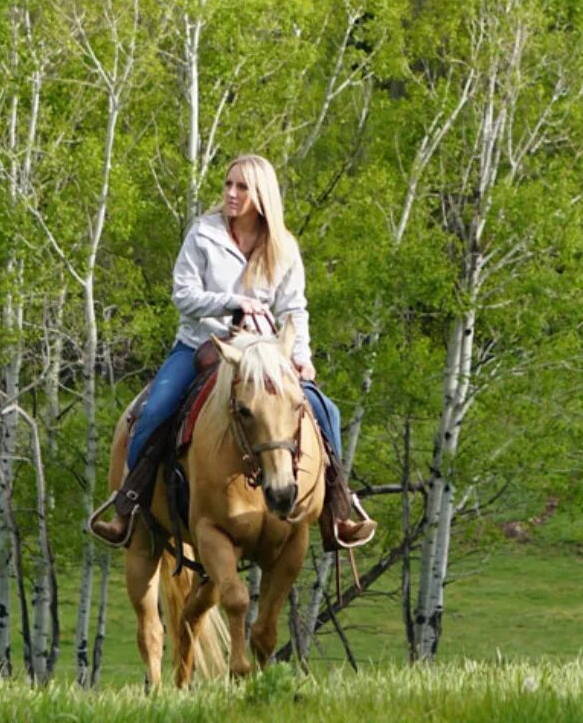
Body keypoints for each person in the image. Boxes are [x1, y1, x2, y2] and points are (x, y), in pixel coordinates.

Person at [87, 154, 376, 551]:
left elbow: (294, 308)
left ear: (262, 196)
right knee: (154, 411)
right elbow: (183, 295)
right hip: (200, 347)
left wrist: (302, 355)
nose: (231, 194)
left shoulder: (284, 247)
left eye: (242, 187)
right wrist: (233, 303)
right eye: (228, 185)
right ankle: (129, 508)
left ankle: (336, 513)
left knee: (327, 411)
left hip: (265, 354)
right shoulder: (203, 234)